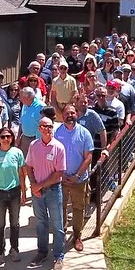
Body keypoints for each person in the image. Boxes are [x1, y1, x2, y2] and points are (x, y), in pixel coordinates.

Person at [26, 117, 67, 270]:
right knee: (41, 223)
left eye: (49, 126)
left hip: (53, 191)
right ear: (39, 128)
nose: (47, 129)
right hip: (37, 192)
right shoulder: (33, 145)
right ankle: (42, 252)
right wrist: (33, 184)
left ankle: (58, 256)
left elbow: (59, 174)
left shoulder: (59, 148)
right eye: (44, 126)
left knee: (57, 225)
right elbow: (28, 166)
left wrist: (39, 185)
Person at [53, 105, 94, 252]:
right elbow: (54, 155)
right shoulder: (57, 132)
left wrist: (76, 175)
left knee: (78, 208)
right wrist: (61, 174)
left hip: (79, 179)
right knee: (60, 207)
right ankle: (61, 234)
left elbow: (88, 157)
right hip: (61, 179)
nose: (70, 115)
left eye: (72, 112)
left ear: (77, 114)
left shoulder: (84, 133)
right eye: (67, 113)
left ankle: (77, 236)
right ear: (62, 116)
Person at [0, 127, 27, 262]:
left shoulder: (17, 153)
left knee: (15, 223)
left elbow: (22, 174)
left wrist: (24, 193)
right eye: (2, 137)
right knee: (0, 223)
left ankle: (14, 249)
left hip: (14, 192)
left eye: (8, 136)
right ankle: (0, 251)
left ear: (12, 138)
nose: (6, 139)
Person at [74, 94, 107, 217]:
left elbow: (102, 130)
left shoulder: (92, 115)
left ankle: (86, 207)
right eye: (81, 102)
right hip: (73, 154)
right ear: (76, 103)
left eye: (86, 102)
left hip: (86, 155)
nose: (84, 104)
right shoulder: (73, 115)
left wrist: (104, 148)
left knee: (85, 182)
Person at [17, 86, 45, 159]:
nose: (20, 99)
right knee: (24, 162)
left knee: (35, 161)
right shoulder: (25, 105)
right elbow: (21, 121)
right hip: (24, 138)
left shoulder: (41, 106)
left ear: (29, 97)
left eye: (22, 97)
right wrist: (18, 136)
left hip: (36, 139)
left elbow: (45, 124)